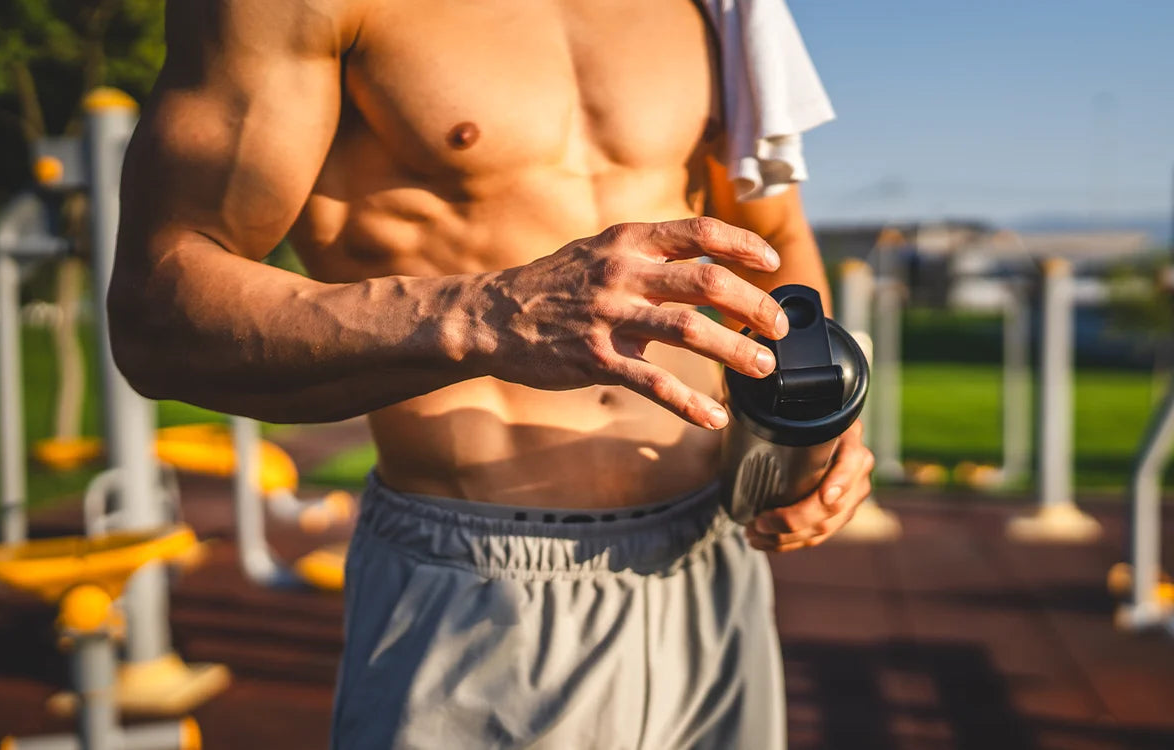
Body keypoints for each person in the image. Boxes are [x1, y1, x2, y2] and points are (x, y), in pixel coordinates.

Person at [109, 0, 874, 747]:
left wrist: (821, 436)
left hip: (712, 558)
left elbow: (775, 242)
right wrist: (488, 313)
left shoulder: (722, 10)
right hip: (481, 583)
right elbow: (157, 315)